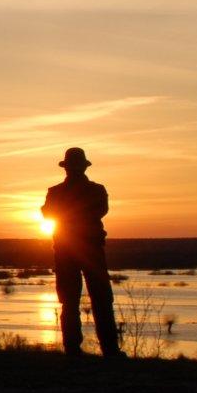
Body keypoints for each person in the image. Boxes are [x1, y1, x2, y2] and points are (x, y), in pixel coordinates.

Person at [41, 148, 123, 357]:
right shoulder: (94, 190)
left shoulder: (57, 192)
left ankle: (77, 350)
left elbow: (48, 213)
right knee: (96, 299)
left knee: (78, 300)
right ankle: (107, 350)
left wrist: (67, 214)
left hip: (73, 248)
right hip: (84, 248)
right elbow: (98, 211)